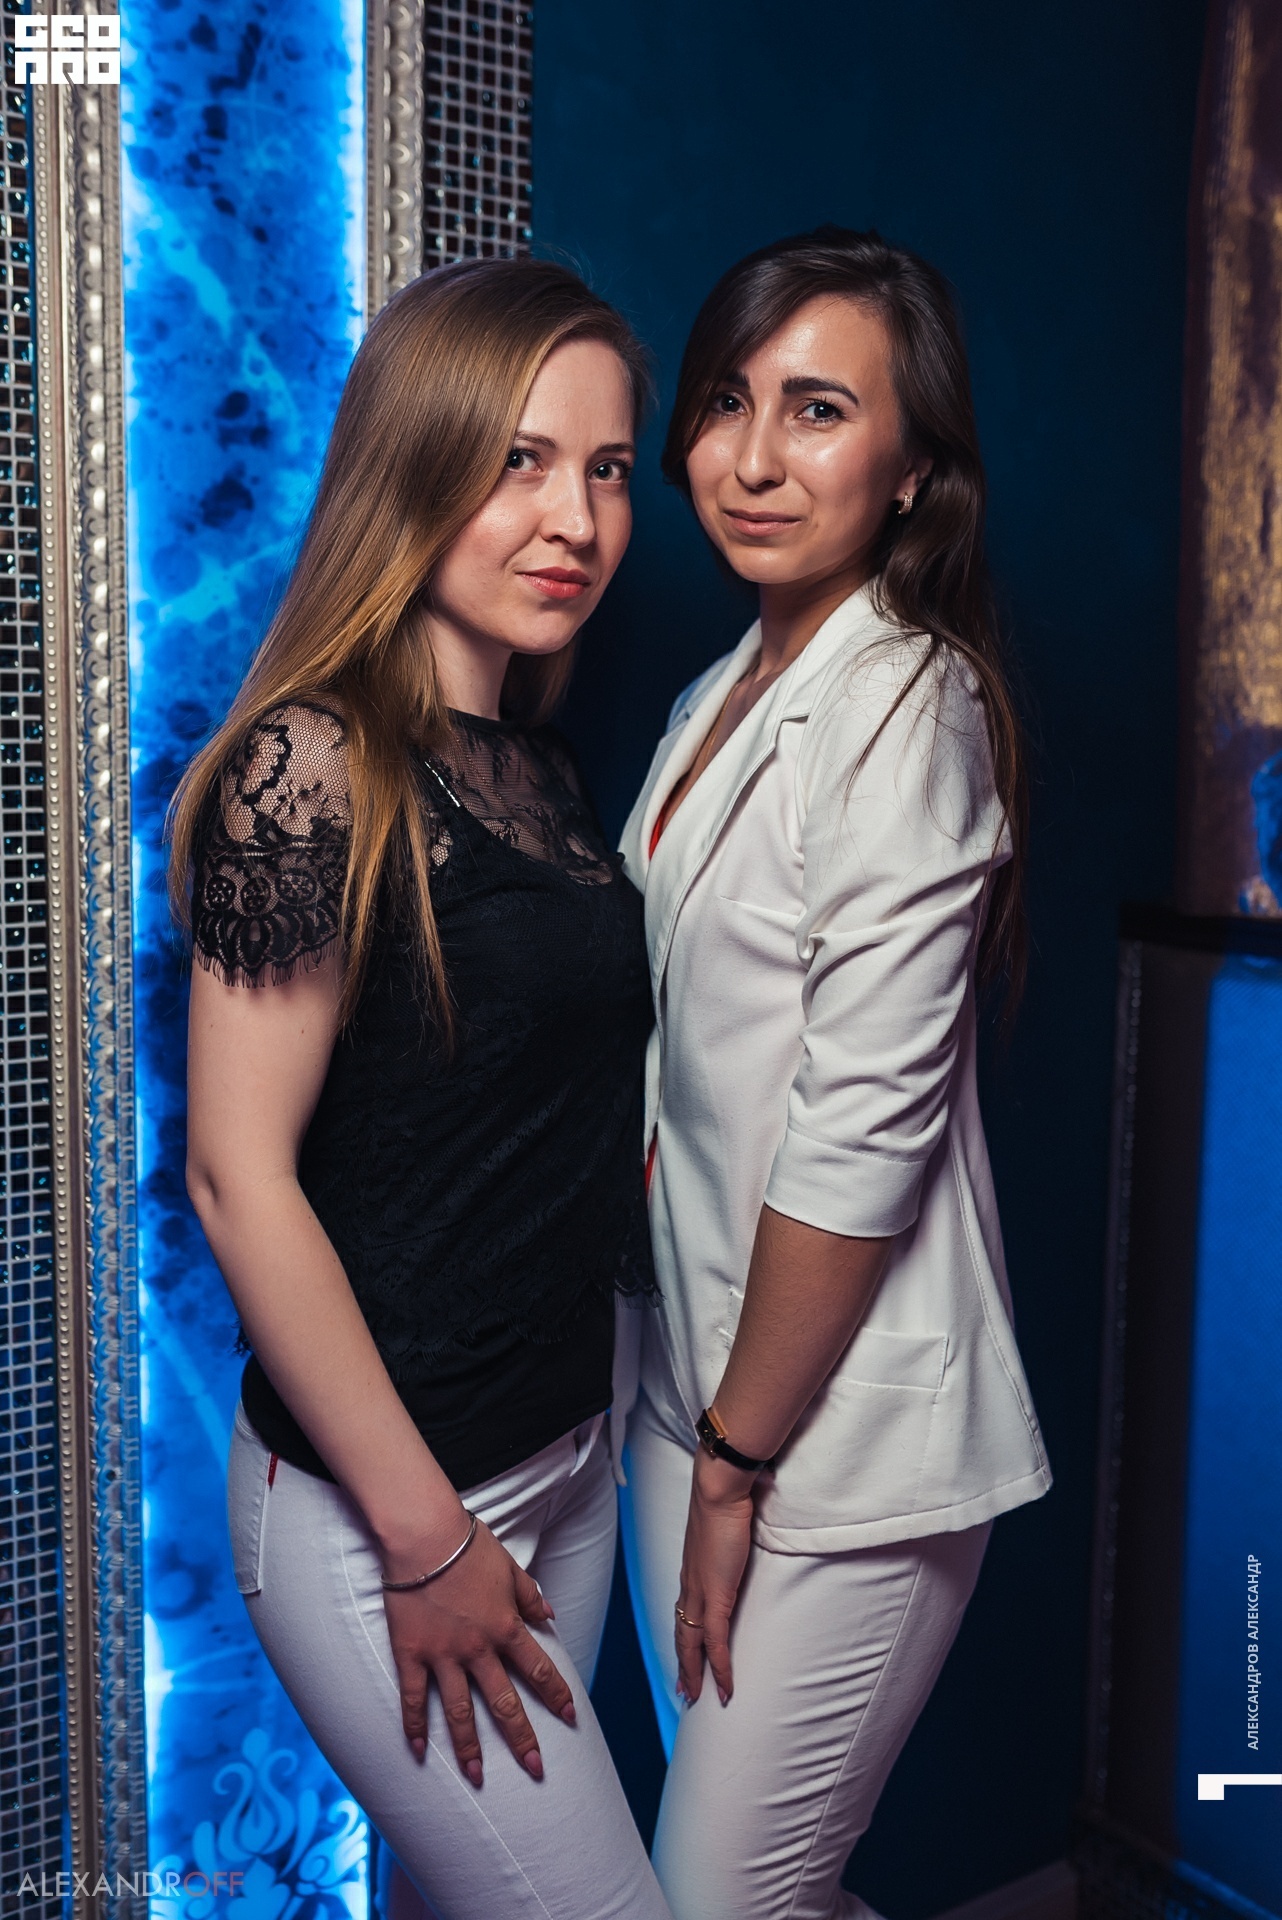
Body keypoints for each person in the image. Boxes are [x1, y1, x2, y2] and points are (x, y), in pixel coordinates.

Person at [171, 259, 673, 1920]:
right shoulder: (311, 762)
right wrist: (430, 1541)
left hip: (566, 1453)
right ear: (415, 463)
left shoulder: (541, 768)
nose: (576, 520)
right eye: (520, 460)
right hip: (385, 1504)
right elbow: (236, 1176)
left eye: (606, 469)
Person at [618, 226, 1052, 1920]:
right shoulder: (724, 687)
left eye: (815, 410)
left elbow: (857, 1138)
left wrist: (735, 1465)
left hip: (835, 1445)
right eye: (726, 402)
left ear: (911, 467)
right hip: (687, 1391)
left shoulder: (907, 706)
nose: (748, 458)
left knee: (722, 1900)